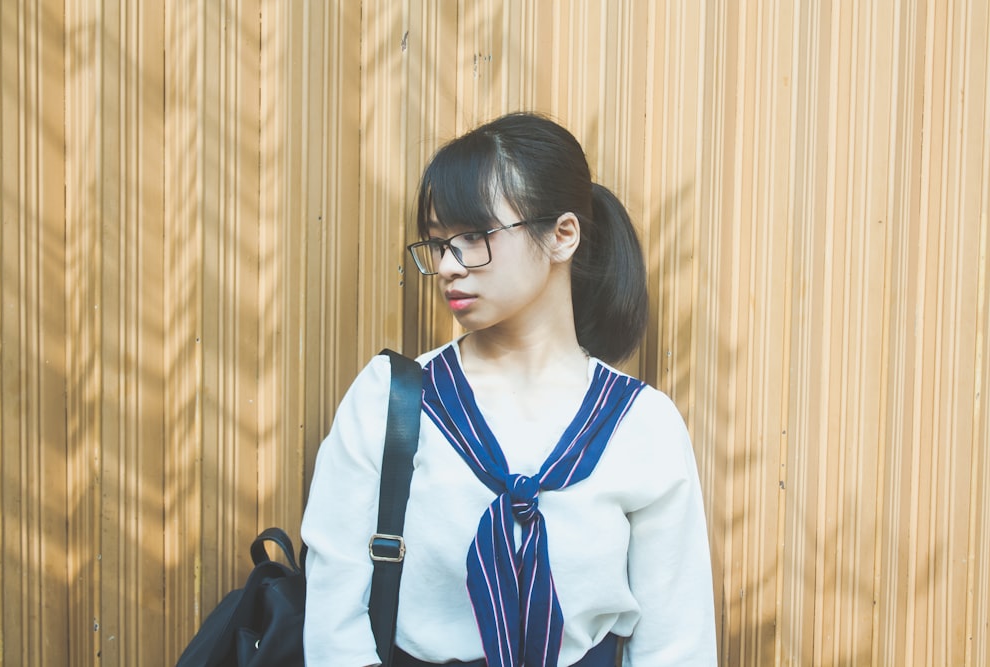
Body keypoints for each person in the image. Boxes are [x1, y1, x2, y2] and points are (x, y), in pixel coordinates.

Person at [301, 112, 717, 667]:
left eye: (473, 237)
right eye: (438, 243)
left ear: (563, 235)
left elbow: (676, 645)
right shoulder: (394, 398)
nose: (449, 265)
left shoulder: (642, 424)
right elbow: (334, 619)